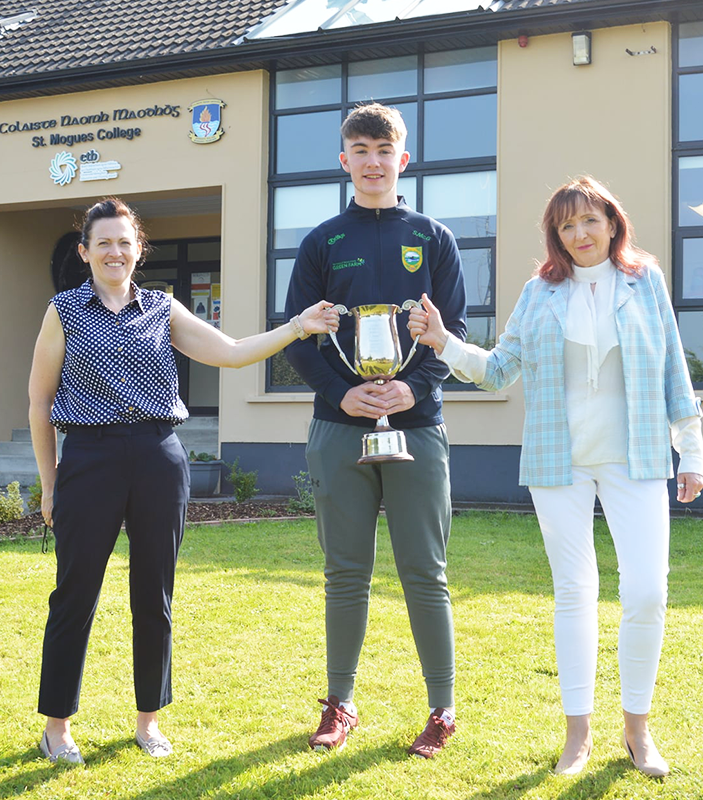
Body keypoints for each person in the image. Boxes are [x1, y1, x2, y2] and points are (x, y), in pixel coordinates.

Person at [408, 176, 703, 777]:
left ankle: (638, 730)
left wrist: (691, 451)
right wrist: (444, 343)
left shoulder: (644, 282)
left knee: (647, 592)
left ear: (613, 223)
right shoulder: (539, 292)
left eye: (590, 221)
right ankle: (579, 735)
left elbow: (674, 368)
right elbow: (498, 371)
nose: (580, 235)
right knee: (575, 592)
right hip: (557, 461)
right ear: (555, 235)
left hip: (639, 456)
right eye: (567, 226)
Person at [29, 197, 338, 764]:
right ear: (85, 252)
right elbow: (39, 400)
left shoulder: (163, 309)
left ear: (139, 248)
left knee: (155, 595)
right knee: (74, 595)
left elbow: (233, 352)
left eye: (125, 241)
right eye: (103, 243)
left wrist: (297, 326)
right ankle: (57, 726)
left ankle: (148, 720)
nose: (115, 252)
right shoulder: (63, 310)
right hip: (89, 459)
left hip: (158, 458)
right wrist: (49, 485)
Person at [284, 103, 467, 759]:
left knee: (426, 573)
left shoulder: (435, 238)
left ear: (402, 159)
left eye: (383, 150)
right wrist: (344, 392)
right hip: (339, 427)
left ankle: (442, 710)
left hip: (418, 430)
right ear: (344, 161)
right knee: (344, 573)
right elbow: (300, 339)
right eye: (359, 149)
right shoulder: (321, 242)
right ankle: (340, 702)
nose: (371, 161)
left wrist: (411, 388)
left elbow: (454, 336)